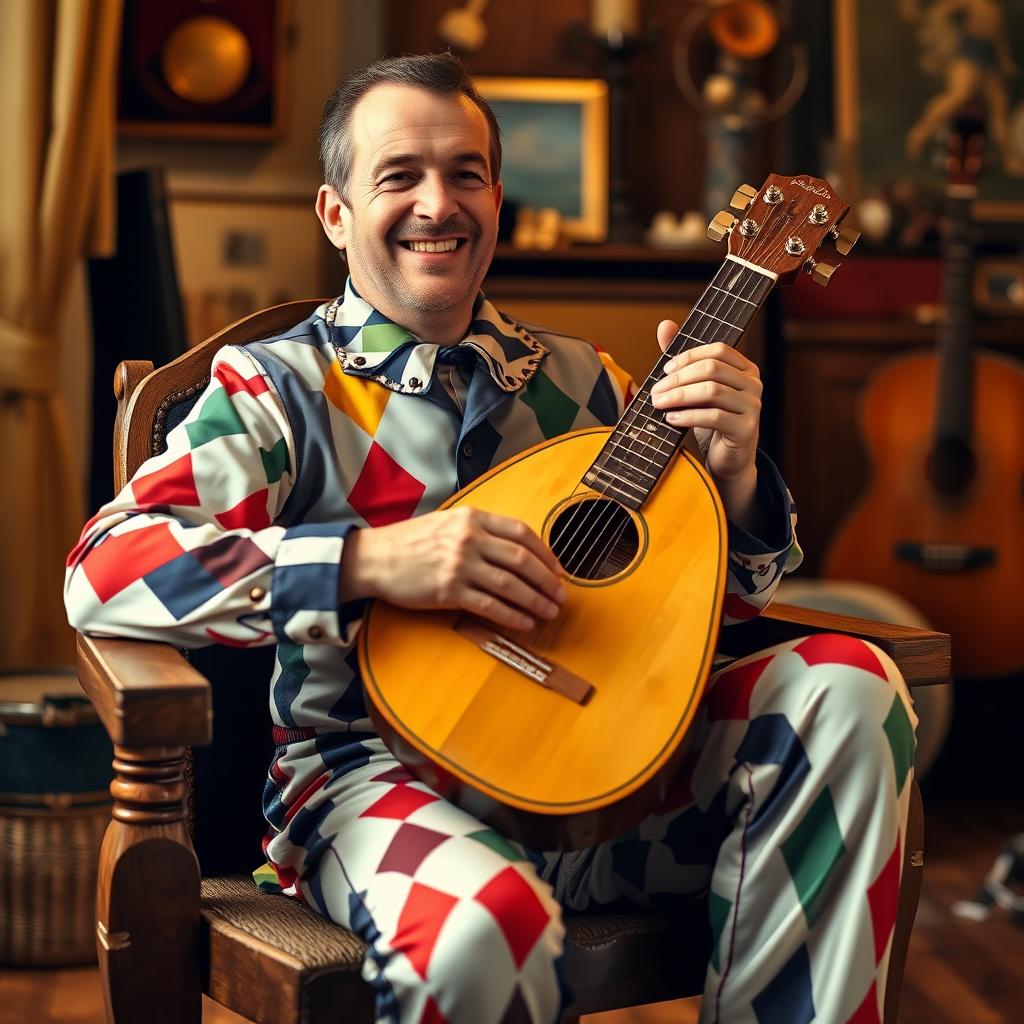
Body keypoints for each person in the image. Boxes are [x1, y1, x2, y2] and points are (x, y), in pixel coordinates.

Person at [66, 53, 917, 1024]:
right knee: (481, 924)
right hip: (373, 782)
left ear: (497, 199)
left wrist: (735, 476)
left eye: (465, 172)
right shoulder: (274, 390)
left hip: (613, 791)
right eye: (400, 175)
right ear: (335, 214)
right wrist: (369, 559)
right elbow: (108, 566)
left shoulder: (587, 381)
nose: (440, 202)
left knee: (849, 682)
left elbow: (708, 612)